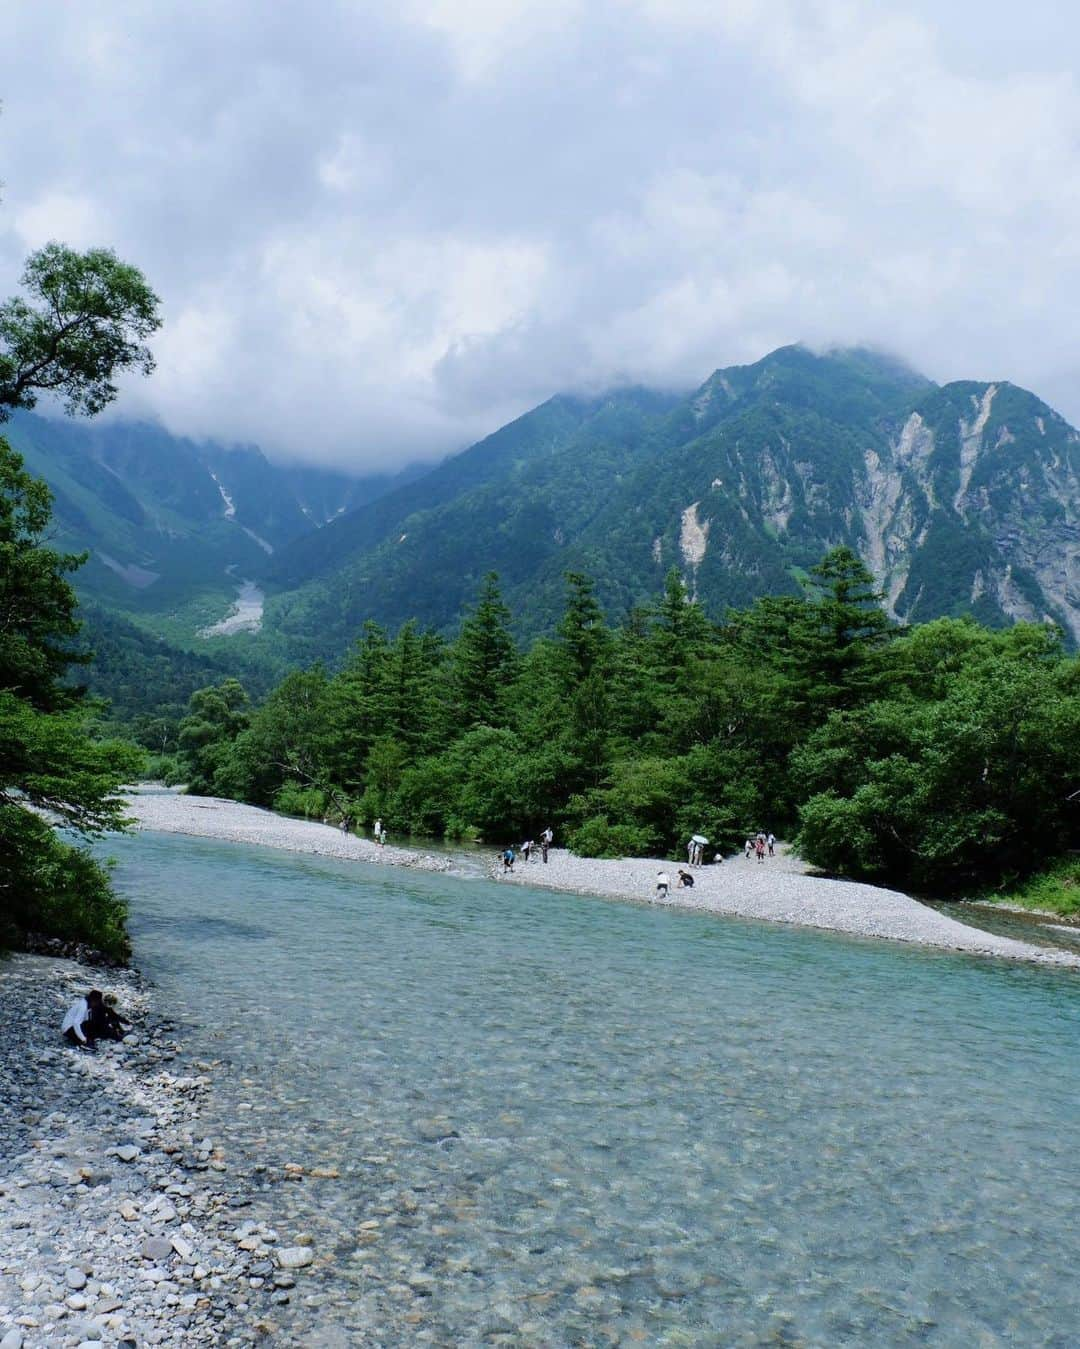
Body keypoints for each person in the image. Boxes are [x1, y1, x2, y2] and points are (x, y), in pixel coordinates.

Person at [62, 990, 127, 1048]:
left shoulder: (88, 1004)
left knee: (97, 1026)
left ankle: (114, 1035)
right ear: (94, 1000)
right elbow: (76, 1023)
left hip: (77, 1026)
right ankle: (84, 1043)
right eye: (98, 1002)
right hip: (69, 1029)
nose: (98, 1004)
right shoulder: (83, 1006)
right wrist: (83, 1039)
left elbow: (111, 1015)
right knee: (93, 1028)